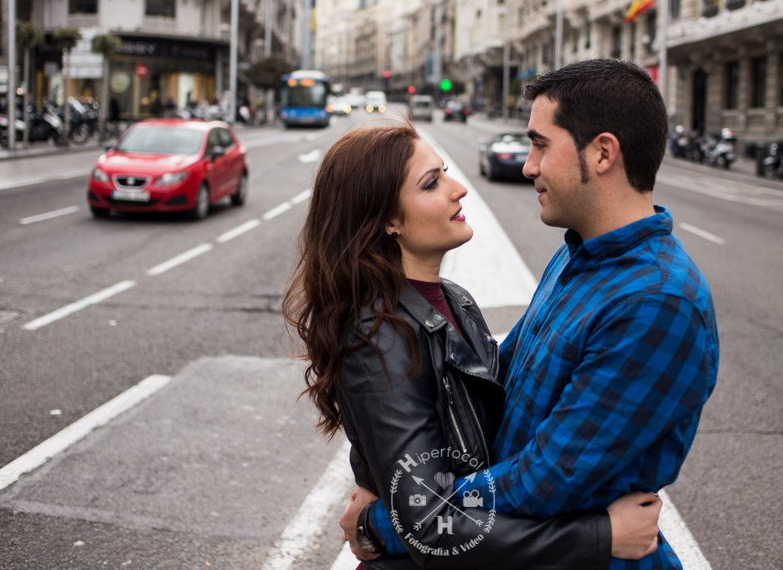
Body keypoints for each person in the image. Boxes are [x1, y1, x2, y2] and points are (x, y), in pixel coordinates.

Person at [345, 58, 720, 569]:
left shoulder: (656, 302)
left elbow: (547, 477)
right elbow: (499, 384)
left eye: (541, 144)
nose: (528, 165)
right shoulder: (576, 256)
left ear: (603, 153)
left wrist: (391, 523)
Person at [283, 123, 664, 569]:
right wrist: (602, 537)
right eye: (432, 183)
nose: (459, 188)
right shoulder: (378, 337)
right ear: (387, 220)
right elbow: (429, 524)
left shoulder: (455, 300)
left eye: (445, 172)